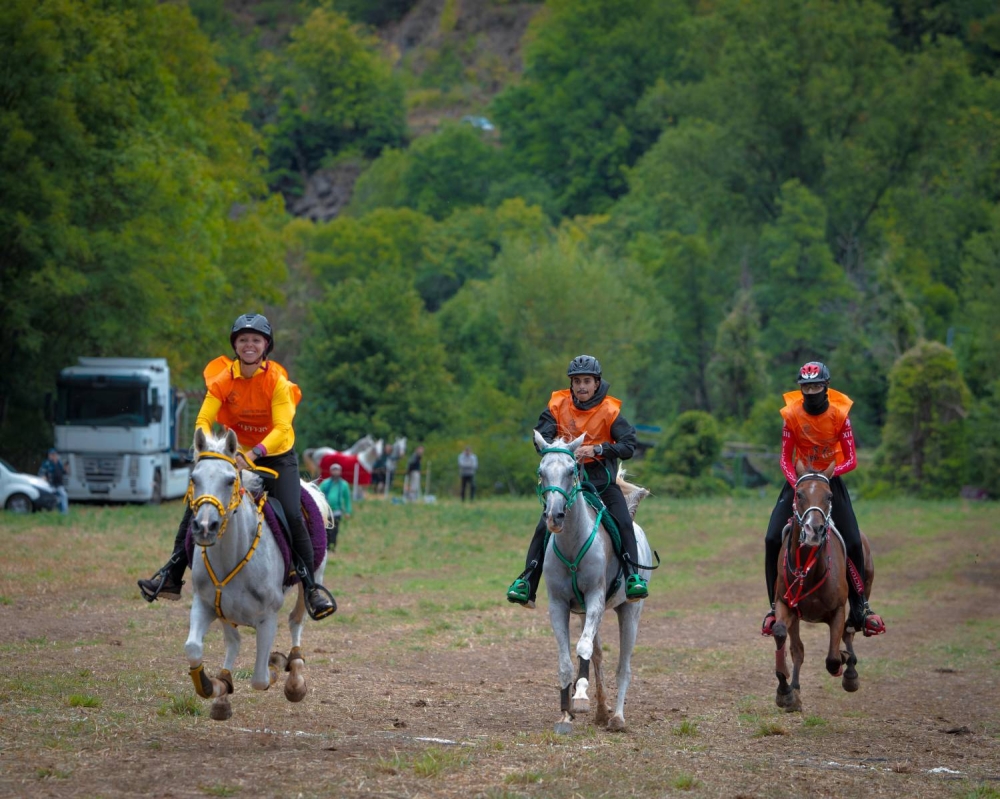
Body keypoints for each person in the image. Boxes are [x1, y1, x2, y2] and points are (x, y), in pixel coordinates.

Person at [138, 313, 335, 620]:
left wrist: (253, 454)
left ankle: (310, 587)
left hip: (275, 456)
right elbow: (203, 419)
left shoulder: (277, 382)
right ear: (235, 345)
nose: (249, 345)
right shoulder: (222, 380)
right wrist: (205, 447)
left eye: (256, 340)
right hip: (233, 454)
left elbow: (282, 429)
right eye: (243, 340)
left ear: (266, 345)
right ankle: (172, 574)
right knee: (198, 503)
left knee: (292, 511)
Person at [506, 355, 648, 608]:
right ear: (571, 384)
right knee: (544, 526)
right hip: (567, 482)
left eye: (587, 381)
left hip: (602, 481)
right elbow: (542, 439)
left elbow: (629, 445)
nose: (582, 386)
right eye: (577, 381)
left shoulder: (610, 410)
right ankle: (527, 583)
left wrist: (597, 450)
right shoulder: (557, 404)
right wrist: (560, 451)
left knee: (624, 522)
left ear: (596, 383)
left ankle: (632, 578)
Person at [760, 361, 886, 638]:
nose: (811, 391)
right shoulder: (791, 414)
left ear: (826, 386)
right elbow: (785, 459)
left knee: (854, 541)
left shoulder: (840, 415)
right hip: (799, 483)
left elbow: (851, 459)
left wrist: (825, 477)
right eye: (806, 387)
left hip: (830, 483)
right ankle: (772, 607)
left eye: (816, 386)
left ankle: (861, 608)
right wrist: (799, 482)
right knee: (771, 538)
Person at [319, 462, 352, 551]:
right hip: (326, 511)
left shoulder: (344, 484)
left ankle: (333, 546)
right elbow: (318, 494)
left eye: (337, 470)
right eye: (334, 470)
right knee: (326, 529)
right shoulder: (325, 483)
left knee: (335, 529)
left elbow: (347, 499)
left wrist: (348, 511)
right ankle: (326, 546)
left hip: (337, 511)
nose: (335, 472)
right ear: (331, 471)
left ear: (340, 472)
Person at [39, 448, 69, 514]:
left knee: (64, 495)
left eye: (54, 454)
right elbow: (41, 473)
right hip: (50, 484)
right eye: (51, 454)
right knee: (56, 499)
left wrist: (66, 469)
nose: (53, 456)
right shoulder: (46, 463)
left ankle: (65, 513)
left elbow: (63, 472)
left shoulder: (60, 463)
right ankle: (58, 511)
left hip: (59, 484)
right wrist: (43, 477)